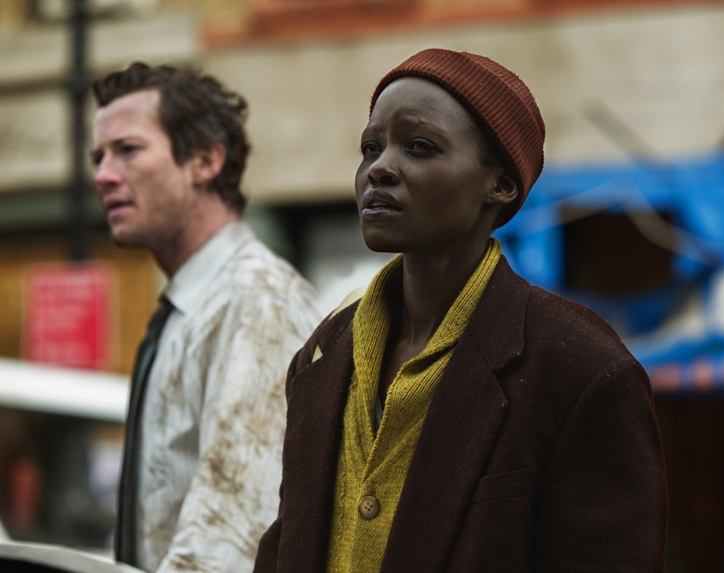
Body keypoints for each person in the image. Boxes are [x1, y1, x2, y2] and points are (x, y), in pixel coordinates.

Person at [254, 49, 668, 573]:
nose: (380, 168)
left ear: (501, 183)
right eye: (370, 148)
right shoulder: (321, 357)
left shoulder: (580, 367)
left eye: (420, 147)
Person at [91, 62, 321, 573]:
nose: (103, 174)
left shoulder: (255, 302)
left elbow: (231, 543)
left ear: (204, 161)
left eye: (128, 150)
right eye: (98, 156)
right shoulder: (197, 307)